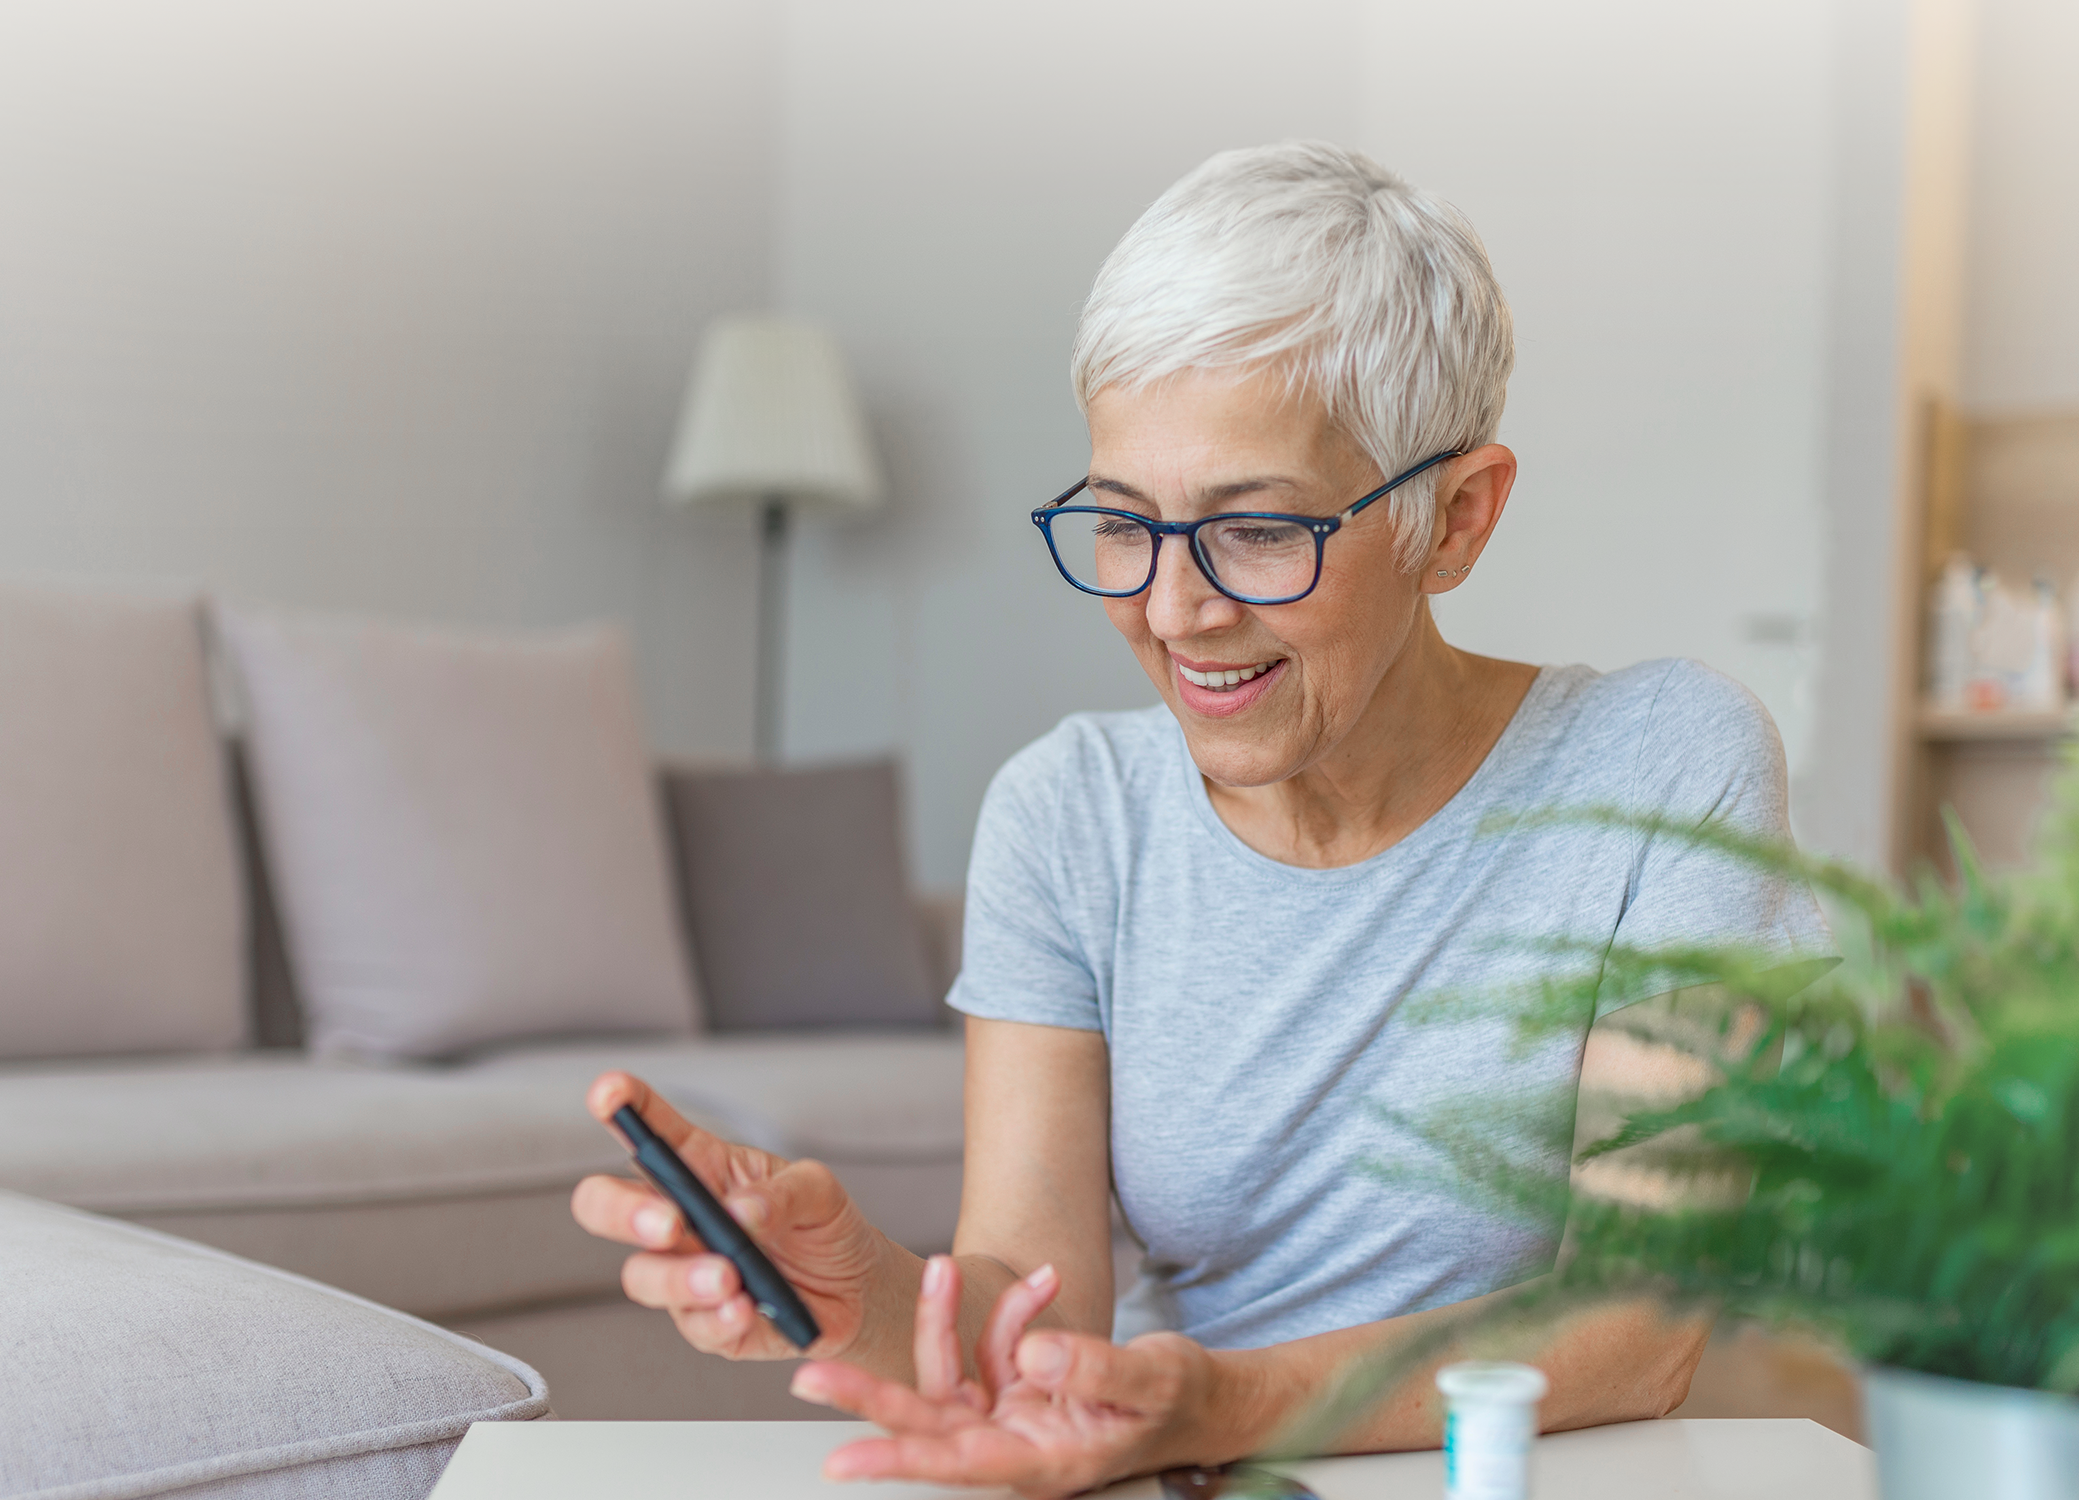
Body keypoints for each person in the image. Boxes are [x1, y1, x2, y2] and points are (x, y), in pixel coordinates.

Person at [568, 141, 1816, 1499]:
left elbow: (1637, 1328)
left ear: (1453, 521)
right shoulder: (1070, 814)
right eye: (1122, 524)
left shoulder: (1660, 768)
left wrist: (1217, 1402)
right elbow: (1041, 1326)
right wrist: (862, 1287)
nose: (1173, 614)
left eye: (1259, 532)